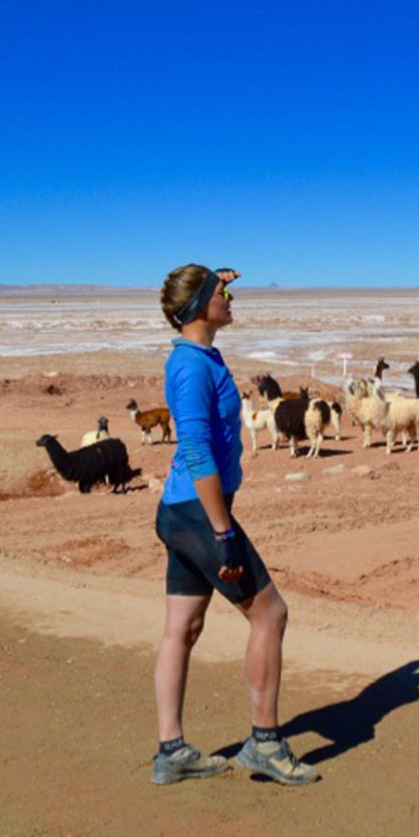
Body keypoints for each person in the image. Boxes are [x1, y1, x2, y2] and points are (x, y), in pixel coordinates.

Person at [150, 264, 317, 785]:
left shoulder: (199, 356)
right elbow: (197, 451)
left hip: (180, 511)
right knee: (270, 615)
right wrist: (223, 533)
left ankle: (171, 751)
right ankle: (264, 743)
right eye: (222, 294)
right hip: (201, 514)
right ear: (201, 305)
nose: (232, 299)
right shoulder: (191, 368)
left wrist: (214, 275)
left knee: (184, 627)